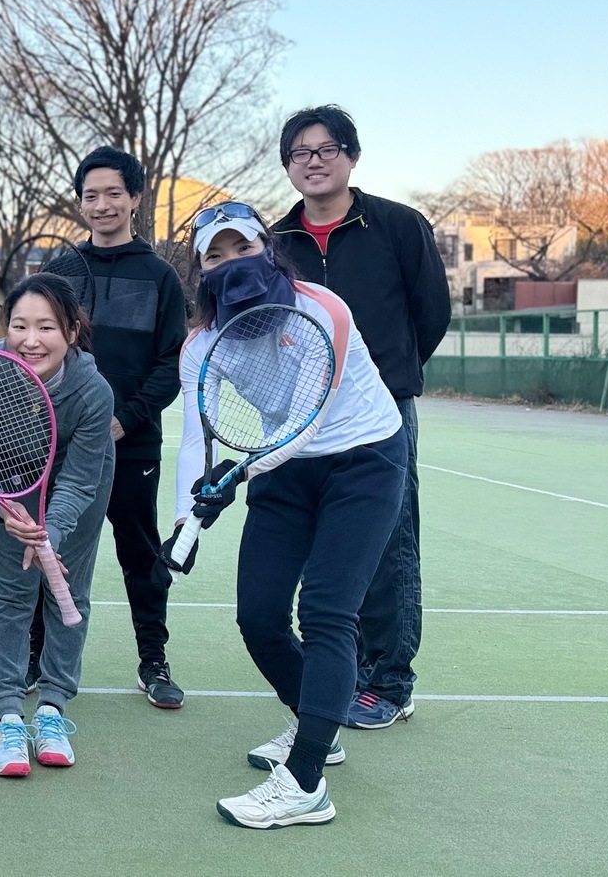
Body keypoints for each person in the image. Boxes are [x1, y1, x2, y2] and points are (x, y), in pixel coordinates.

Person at [167, 202, 406, 828]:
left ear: (267, 249)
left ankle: (305, 784)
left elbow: (307, 419)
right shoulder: (200, 344)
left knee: (327, 610)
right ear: (199, 269)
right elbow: (198, 436)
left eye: (240, 248)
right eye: (213, 256)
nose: (229, 264)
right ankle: (320, 729)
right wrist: (183, 516)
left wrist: (236, 474)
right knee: (260, 617)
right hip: (284, 472)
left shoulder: (323, 309)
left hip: (364, 459)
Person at [269, 105, 450, 729]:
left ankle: (390, 679)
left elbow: (431, 314)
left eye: (325, 149)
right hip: (301, 415)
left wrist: (388, 378)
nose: (313, 161)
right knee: (324, 543)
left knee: (391, 541)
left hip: (383, 414)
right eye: (299, 152)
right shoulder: (276, 243)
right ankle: (338, 668)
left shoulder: (399, 226)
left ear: (351, 155)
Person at [28, 147, 187, 708]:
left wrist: (125, 419)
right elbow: (37, 348)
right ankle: (36, 656)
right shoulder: (60, 273)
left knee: (140, 554)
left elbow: (172, 363)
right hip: (61, 445)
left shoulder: (161, 275)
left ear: (135, 199)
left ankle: (153, 660)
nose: (102, 205)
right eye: (91, 195)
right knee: (50, 549)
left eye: (113, 193)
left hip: (133, 442)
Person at [0, 273, 114, 778]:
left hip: (78, 486)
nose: (31, 340)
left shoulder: (92, 390)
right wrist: (1, 508)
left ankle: (52, 709)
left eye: (46, 327)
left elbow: (79, 480)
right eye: (20, 325)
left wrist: (51, 529)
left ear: (72, 332)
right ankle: (7, 714)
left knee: (67, 587)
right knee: (11, 592)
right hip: (8, 486)